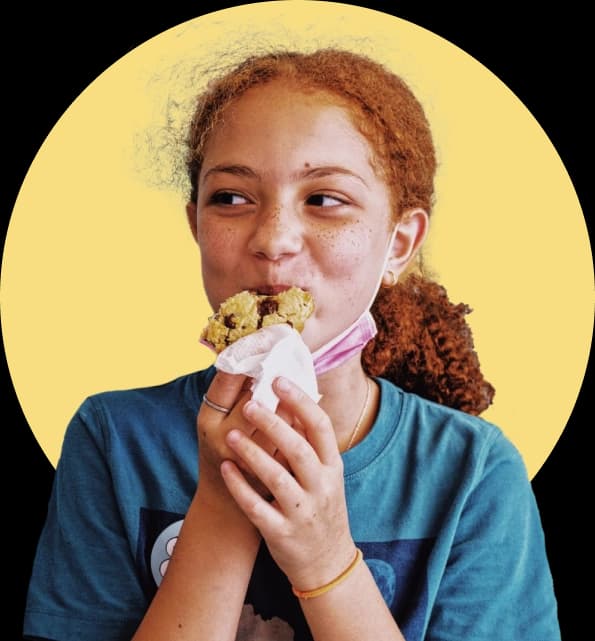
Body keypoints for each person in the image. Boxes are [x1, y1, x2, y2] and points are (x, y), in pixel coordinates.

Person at [23, 48, 561, 641]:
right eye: (230, 198)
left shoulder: (474, 475)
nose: (274, 241)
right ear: (196, 226)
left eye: (325, 199)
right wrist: (223, 510)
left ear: (399, 244)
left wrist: (326, 560)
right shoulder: (113, 441)